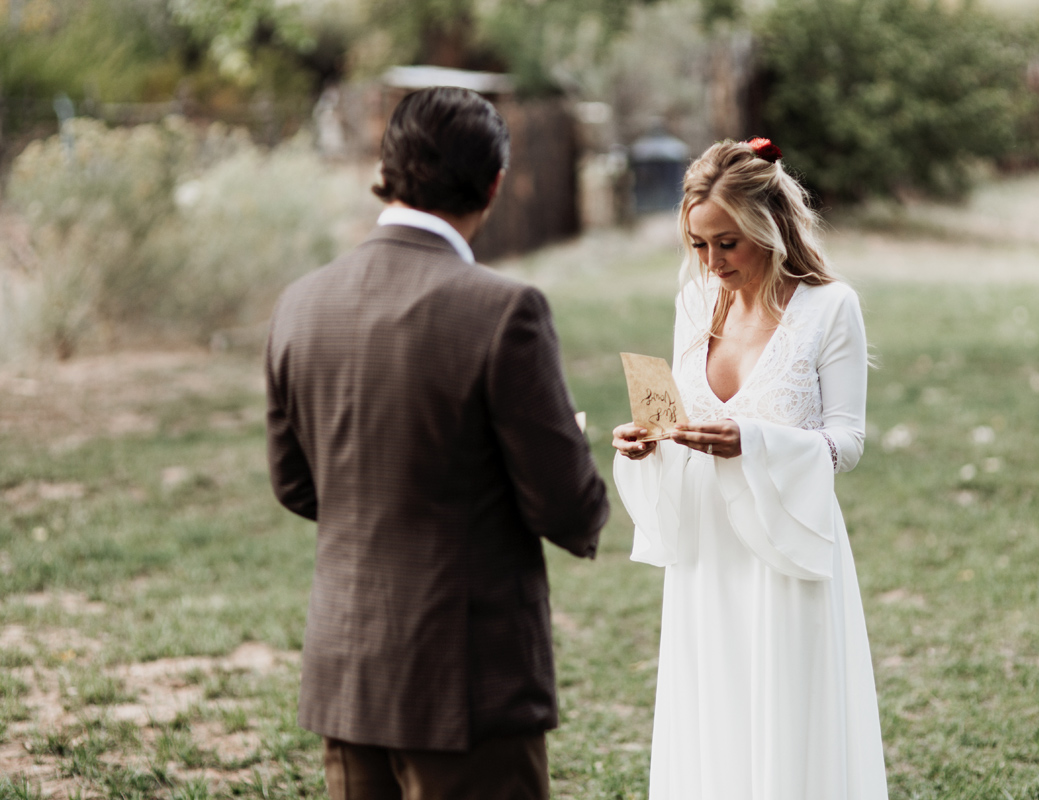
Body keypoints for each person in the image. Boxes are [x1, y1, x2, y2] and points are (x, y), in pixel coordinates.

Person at [266, 86, 609, 800]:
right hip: (468, 682)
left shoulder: (300, 302)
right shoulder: (504, 309)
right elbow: (566, 506)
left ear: (385, 169)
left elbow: (297, 485)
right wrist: (567, 450)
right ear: (495, 183)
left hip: (347, 672)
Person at [611, 138, 888, 799]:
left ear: (768, 226)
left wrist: (757, 443)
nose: (712, 261)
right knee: (714, 715)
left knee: (787, 716)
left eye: (727, 243)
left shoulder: (830, 307)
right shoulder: (692, 305)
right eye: (699, 244)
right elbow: (678, 414)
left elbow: (846, 443)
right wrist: (648, 441)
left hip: (784, 542)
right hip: (705, 552)